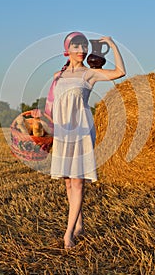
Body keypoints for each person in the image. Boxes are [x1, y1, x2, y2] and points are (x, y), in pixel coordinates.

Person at [47, 31, 126, 249]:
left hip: (81, 130)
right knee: (68, 180)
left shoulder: (89, 74)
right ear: (67, 50)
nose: (81, 51)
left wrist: (112, 43)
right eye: (76, 47)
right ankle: (79, 224)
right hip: (63, 132)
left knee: (78, 181)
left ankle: (68, 234)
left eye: (84, 47)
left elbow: (120, 71)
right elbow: (52, 106)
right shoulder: (58, 75)